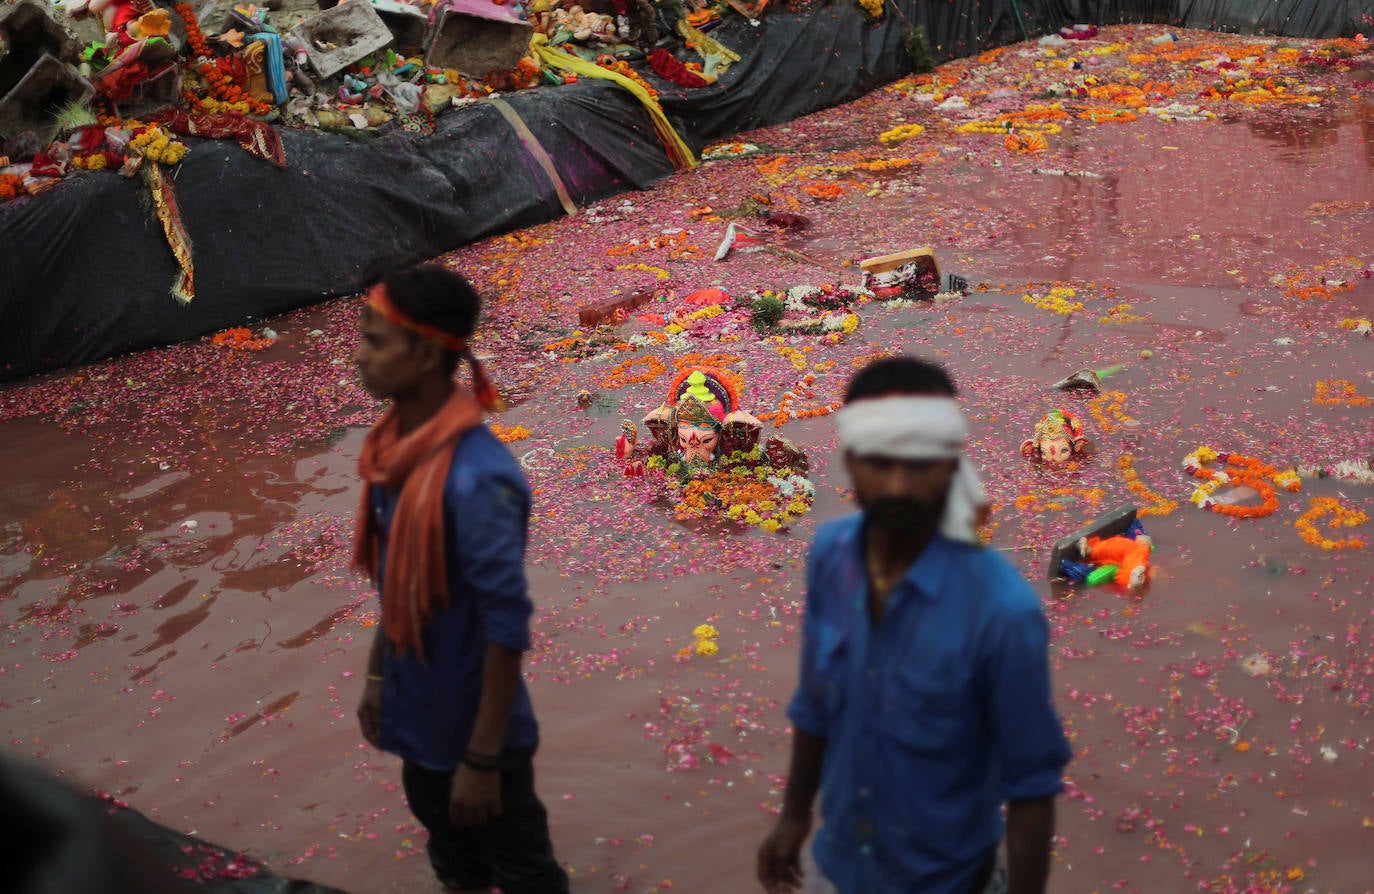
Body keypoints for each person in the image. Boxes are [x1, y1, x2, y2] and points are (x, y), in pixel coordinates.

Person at [757, 356, 1072, 894]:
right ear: (851, 463)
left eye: (920, 462)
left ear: (951, 464)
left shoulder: (1002, 611)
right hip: (837, 867)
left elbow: (1031, 790)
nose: (900, 484)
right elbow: (815, 703)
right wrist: (793, 818)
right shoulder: (831, 557)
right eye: (881, 461)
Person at [351, 264, 569, 894]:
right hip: (417, 712)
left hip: (479, 734)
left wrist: (481, 762)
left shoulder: (478, 479)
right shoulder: (392, 451)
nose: (360, 358)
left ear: (423, 354)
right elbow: (396, 583)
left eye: (375, 340)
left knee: (525, 873)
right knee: (453, 861)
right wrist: (375, 679)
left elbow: (506, 628)